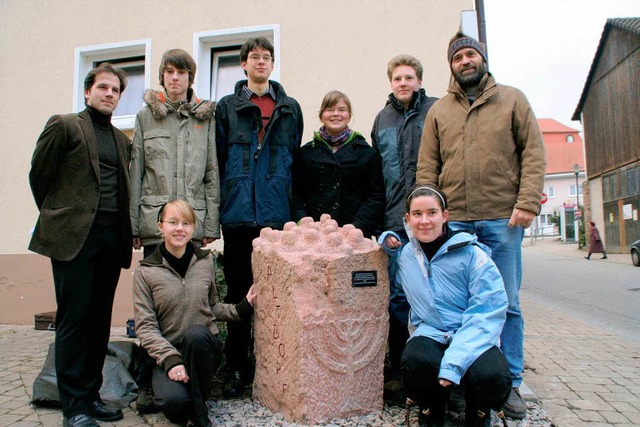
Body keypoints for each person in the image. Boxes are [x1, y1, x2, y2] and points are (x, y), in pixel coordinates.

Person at [416, 32, 546, 419]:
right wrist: (431, 215)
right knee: (454, 305)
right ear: (451, 65)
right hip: (455, 222)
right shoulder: (439, 111)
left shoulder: (512, 99)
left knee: (505, 302)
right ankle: (460, 381)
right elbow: (428, 167)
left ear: (482, 59)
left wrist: (526, 203)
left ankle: (512, 383)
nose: (465, 62)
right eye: (458, 58)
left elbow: (534, 152)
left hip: (502, 217)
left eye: (471, 54)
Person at [29, 63, 132, 427]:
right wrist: (60, 214)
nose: (109, 94)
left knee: (100, 322)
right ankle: (74, 408)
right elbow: (39, 176)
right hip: (75, 239)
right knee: (74, 321)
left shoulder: (122, 141)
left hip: (110, 238)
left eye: (115, 90)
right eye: (102, 87)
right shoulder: (65, 125)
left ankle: (91, 395)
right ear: (88, 91)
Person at [214, 36, 303, 397]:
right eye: (255, 57)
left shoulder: (289, 107)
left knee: (275, 296)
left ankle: (272, 367)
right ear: (244, 65)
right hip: (237, 217)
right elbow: (218, 161)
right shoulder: (227, 107)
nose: (261, 62)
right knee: (239, 293)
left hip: (276, 218)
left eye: (267, 57)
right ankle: (237, 367)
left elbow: (293, 161)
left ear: (272, 64)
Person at [378, 186, 511, 426]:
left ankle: (478, 411)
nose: (425, 221)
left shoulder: (473, 255)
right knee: (416, 362)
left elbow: (487, 312)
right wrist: (385, 241)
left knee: (492, 376)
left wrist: (452, 365)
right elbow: (387, 255)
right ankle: (432, 409)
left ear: (445, 216)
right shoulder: (407, 255)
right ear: (407, 219)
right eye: (417, 214)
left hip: (473, 332)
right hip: (432, 330)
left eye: (432, 212)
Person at [133, 200, 256, 427]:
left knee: (196, 334)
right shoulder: (145, 270)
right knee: (174, 404)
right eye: (173, 222)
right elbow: (145, 327)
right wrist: (170, 360)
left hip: (203, 348)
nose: (180, 228)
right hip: (169, 353)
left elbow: (212, 307)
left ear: (192, 229)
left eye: (186, 223)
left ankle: (200, 416)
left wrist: (243, 306)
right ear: (160, 226)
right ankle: (189, 395)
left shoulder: (204, 261)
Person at [371, 54, 438, 396]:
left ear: (419, 81)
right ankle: (399, 368)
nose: (403, 83)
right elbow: (378, 175)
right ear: (391, 82)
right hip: (397, 221)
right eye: (397, 78)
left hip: (432, 221)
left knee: (437, 293)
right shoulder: (382, 119)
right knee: (398, 297)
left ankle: (442, 369)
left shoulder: (436, 111)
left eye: (409, 77)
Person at [129, 48, 219, 258]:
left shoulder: (204, 118)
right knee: (157, 287)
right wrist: (134, 226)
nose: (175, 77)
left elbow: (211, 172)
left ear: (190, 78)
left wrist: (211, 225)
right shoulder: (146, 116)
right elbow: (136, 172)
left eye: (181, 72)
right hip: (155, 224)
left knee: (191, 288)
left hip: (191, 223)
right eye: (169, 71)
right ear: (162, 76)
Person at [292, 90, 384, 237]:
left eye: (342, 109)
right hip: (313, 234)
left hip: (355, 233)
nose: (336, 114)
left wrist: (357, 226)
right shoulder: (305, 153)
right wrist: (303, 221)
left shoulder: (367, 153)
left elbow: (376, 195)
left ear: (349, 116)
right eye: (329, 109)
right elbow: (295, 192)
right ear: (321, 116)